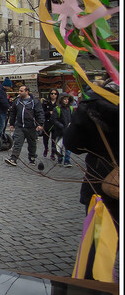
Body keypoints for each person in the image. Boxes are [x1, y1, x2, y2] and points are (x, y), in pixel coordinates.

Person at [63, 80, 119, 224]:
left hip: (102, 175)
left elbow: (72, 144)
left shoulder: (92, 108)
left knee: (101, 238)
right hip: (104, 176)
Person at [3, 85, 45, 166]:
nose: (19, 92)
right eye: (19, 90)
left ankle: (32, 158)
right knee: (17, 143)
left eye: (21, 91)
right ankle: (13, 159)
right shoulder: (17, 101)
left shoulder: (34, 102)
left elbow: (40, 113)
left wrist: (40, 124)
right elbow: (13, 113)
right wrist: (11, 123)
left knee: (32, 144)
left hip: (31, 126)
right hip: (20, 126)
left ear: (27, 91)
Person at [51, 92, 74, 167]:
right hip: (60, 131)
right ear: (61, 100)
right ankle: (60, 160)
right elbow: (54, 119)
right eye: (64, 99)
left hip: (68, 130)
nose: (66, 101)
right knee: (59, 146)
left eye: (67, 99)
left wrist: (71, 123)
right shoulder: (57, 109)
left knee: (68, 147)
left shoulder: (70, 108)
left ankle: (67, 161)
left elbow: (73, 117)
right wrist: (61, 126)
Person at [41, 89, 59, 160]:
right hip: (47, 122)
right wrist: (49, 112)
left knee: (54, 139)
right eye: (52, 93)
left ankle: (53, 153)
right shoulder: (46, 103)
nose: (53, 95)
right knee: (45, 138)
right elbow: (42, 112)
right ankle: (46, 148)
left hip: (55, 123)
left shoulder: (58, 103)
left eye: (55, 94)